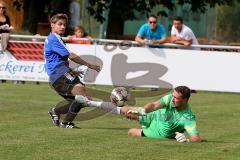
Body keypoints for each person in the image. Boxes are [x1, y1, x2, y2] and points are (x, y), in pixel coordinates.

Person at [77, 86, 202, 143]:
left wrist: (187, 140)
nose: (172, 99)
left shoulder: (187, 117)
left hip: (157, 133)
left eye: (176, 98)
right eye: (173, 96)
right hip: (153, 117)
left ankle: (142, 129)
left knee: (130, 132)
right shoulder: (170, 98)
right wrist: (142, 110)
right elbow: (153, 105)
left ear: (185, 100)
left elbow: (196, 138)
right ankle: (89, 102)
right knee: (126, 111)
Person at [45, 13, 100, 128]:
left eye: (64, 25)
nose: (62, 27)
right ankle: (66, 122)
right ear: (52, 25)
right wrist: (88, 64)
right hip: (59, 75)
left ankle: (57, 112)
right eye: (59, 24)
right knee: (83, 95)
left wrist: (71, 71)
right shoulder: (54, 38)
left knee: (79, 100)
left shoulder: (55, 39)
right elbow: (70, 55)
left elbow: (56, 60)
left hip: (59, 75)